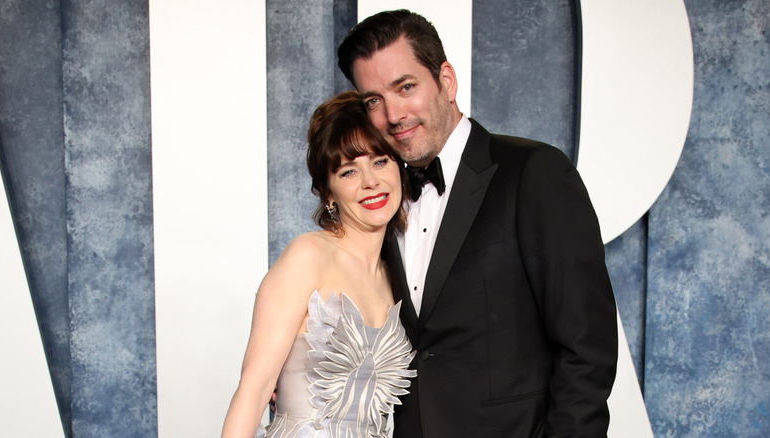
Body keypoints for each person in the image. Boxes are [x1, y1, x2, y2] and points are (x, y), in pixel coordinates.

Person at [337, 9, 618, 438]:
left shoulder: (533, 172)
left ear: (446, 81)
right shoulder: (379, 198)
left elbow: (587, 348)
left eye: (406, 87)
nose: (392, 115)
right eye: (373, 100)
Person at [221, 91, 416, 438]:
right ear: (328, 193)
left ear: (400, 169)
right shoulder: (307, 256)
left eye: (380, 161)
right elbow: (253, 390)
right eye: (348, 171)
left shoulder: (400, 276)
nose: (370, 181)